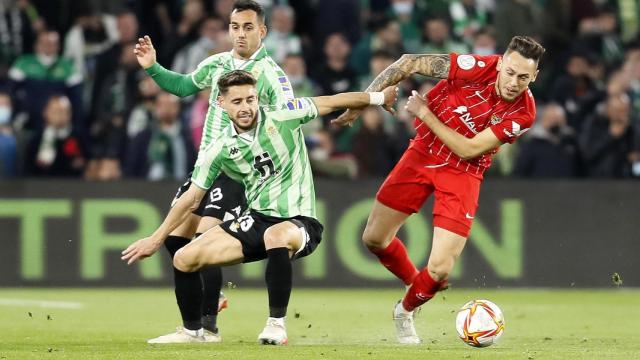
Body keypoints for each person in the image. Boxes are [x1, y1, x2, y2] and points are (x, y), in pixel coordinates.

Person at [121, 70, 398, 345]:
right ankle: (195, 332)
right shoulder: (218, 148)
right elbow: (192, 198)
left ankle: (276, 325)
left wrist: (377, 97)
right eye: (238, 101)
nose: (246, 107)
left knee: (274, 235)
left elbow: (332, 101)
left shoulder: (283, 115)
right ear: (222, 104)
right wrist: (156, 239)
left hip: (299, 221)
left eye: (250, 99)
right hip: (255, 219)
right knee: (183, 258)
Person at [333, 36, 545, 344]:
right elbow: (409, 62)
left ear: (534, 77)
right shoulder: (476, 68)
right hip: (423, 152)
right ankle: (412, 283)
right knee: (374, 239)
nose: (514, 82)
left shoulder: (524, 114)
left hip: (464, 171)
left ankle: (405, 312)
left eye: (523, 77)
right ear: (500, 63)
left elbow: (470, 148)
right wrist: (363, 101)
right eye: (510, 72)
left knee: (441, 269)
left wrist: (424, 113)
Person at [132, 0, 295, 343]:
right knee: (176, 239)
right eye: (235, 27)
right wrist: (153, 67)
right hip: (206, 166)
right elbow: (183, 86)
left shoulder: (274, 77)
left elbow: (288, 123)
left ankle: (205, 326)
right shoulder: (217, 64)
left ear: (263, 31)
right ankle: (209, 301)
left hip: (240, 169)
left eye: (248, 27)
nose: (240, 34)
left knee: (206, 236)